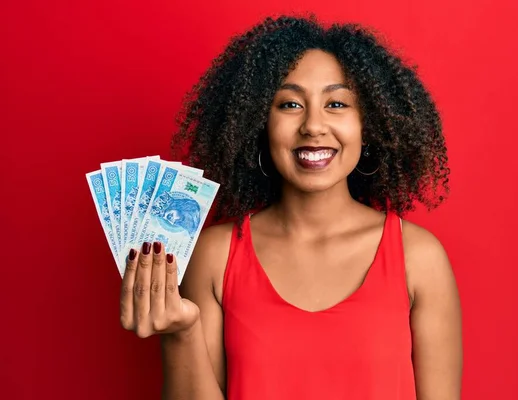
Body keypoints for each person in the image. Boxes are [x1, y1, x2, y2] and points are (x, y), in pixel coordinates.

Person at [119, 14, 463, 400]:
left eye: (336, 103)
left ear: (369, 125)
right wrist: (180, 334)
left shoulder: (419, 258)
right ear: (258, 125)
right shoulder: (216, 255)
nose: (313, 125)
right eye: (290, 104)